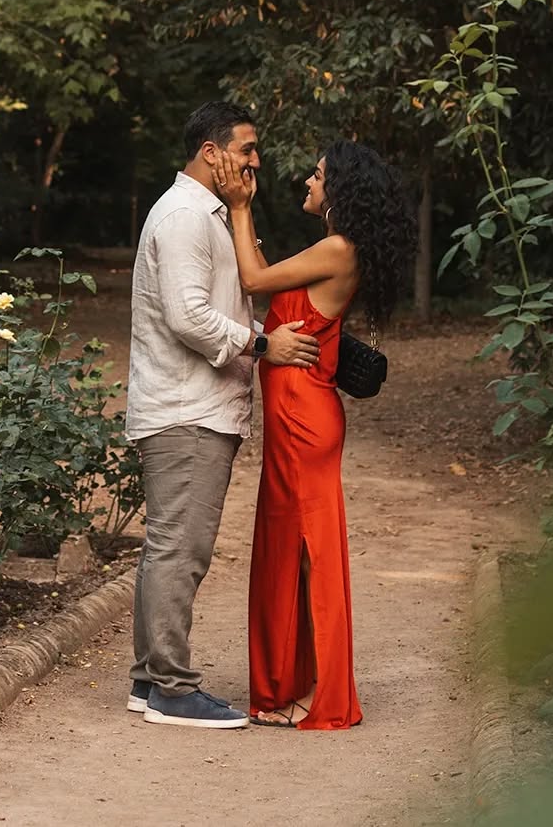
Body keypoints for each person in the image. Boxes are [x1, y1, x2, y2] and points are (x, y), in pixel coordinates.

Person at [125, 101, 321, 730]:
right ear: (211, 152)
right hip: (186, 410)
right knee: (180, 551)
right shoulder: (184, 217)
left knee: (169, 548)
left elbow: (226, 298)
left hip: (194, 407)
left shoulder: (207, 213)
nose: (256, 162)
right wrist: (263, 344)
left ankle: (148, 680)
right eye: (246, 150)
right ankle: (172, 689)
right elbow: (189, 317)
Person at [214, 139, 415, 730]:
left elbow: (253, 278)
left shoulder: (336, 248)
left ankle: (323, 695)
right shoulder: (334, 247)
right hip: (298, 415)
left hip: (304, 417)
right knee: (291, 548)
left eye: (319, 175)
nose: (308, 180)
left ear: (340, 190)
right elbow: (268, 277)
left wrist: (240, 205)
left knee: (309, 553)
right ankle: (292, 684)